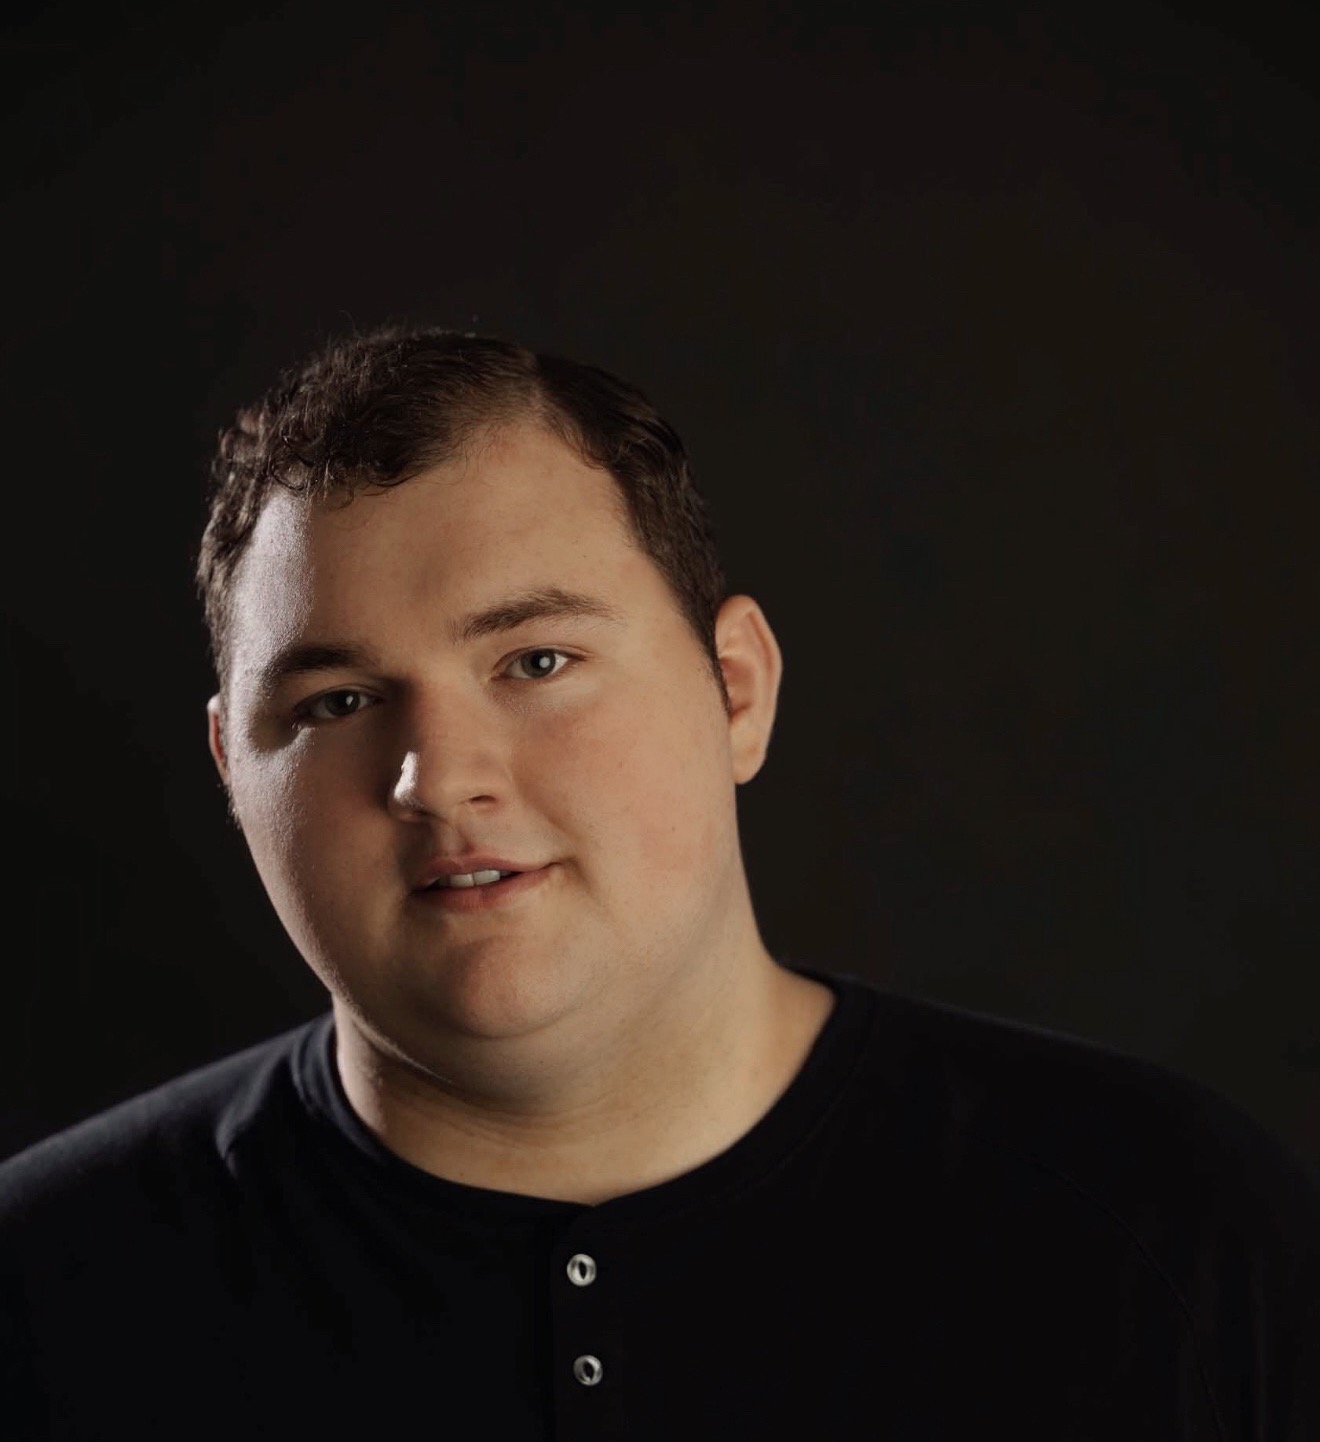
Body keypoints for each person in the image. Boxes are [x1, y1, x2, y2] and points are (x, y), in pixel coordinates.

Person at [1, 325, 1317, 1440]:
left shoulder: (1175, 1234)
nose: (437, 778)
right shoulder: (41, 1298)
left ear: (736, 691)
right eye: (337, 701)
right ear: (233, 770)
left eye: (535, 662)